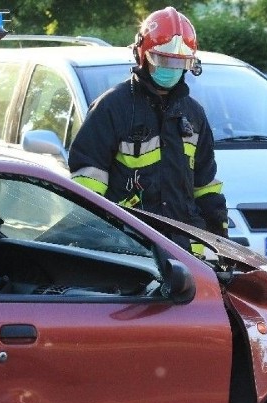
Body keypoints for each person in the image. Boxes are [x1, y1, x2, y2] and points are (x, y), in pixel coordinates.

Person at [68, 7, 228, 249]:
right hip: (130, 247)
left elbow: (205, 185)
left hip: (185, 251)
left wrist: (220, 239)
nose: (171, 69)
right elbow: (87, 186)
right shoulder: (112, 108)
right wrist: (97, 239)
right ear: (142, 56)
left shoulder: (194, 114)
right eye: (163, 60)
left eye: (180, 63)